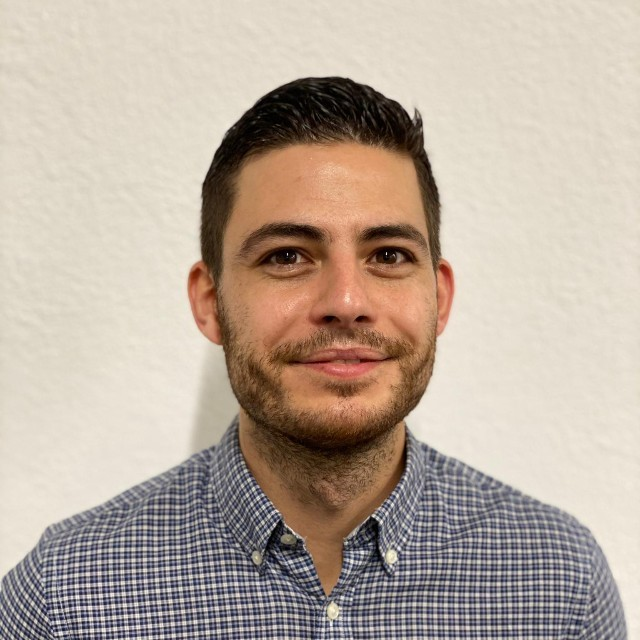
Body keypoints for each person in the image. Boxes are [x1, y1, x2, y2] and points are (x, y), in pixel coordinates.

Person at [0, 77, 626, 638]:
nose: (346, 303)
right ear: (211, 302)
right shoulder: (65, 599)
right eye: (287, 256)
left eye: (388, 255)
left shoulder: (560, 587)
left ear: (438, 298)